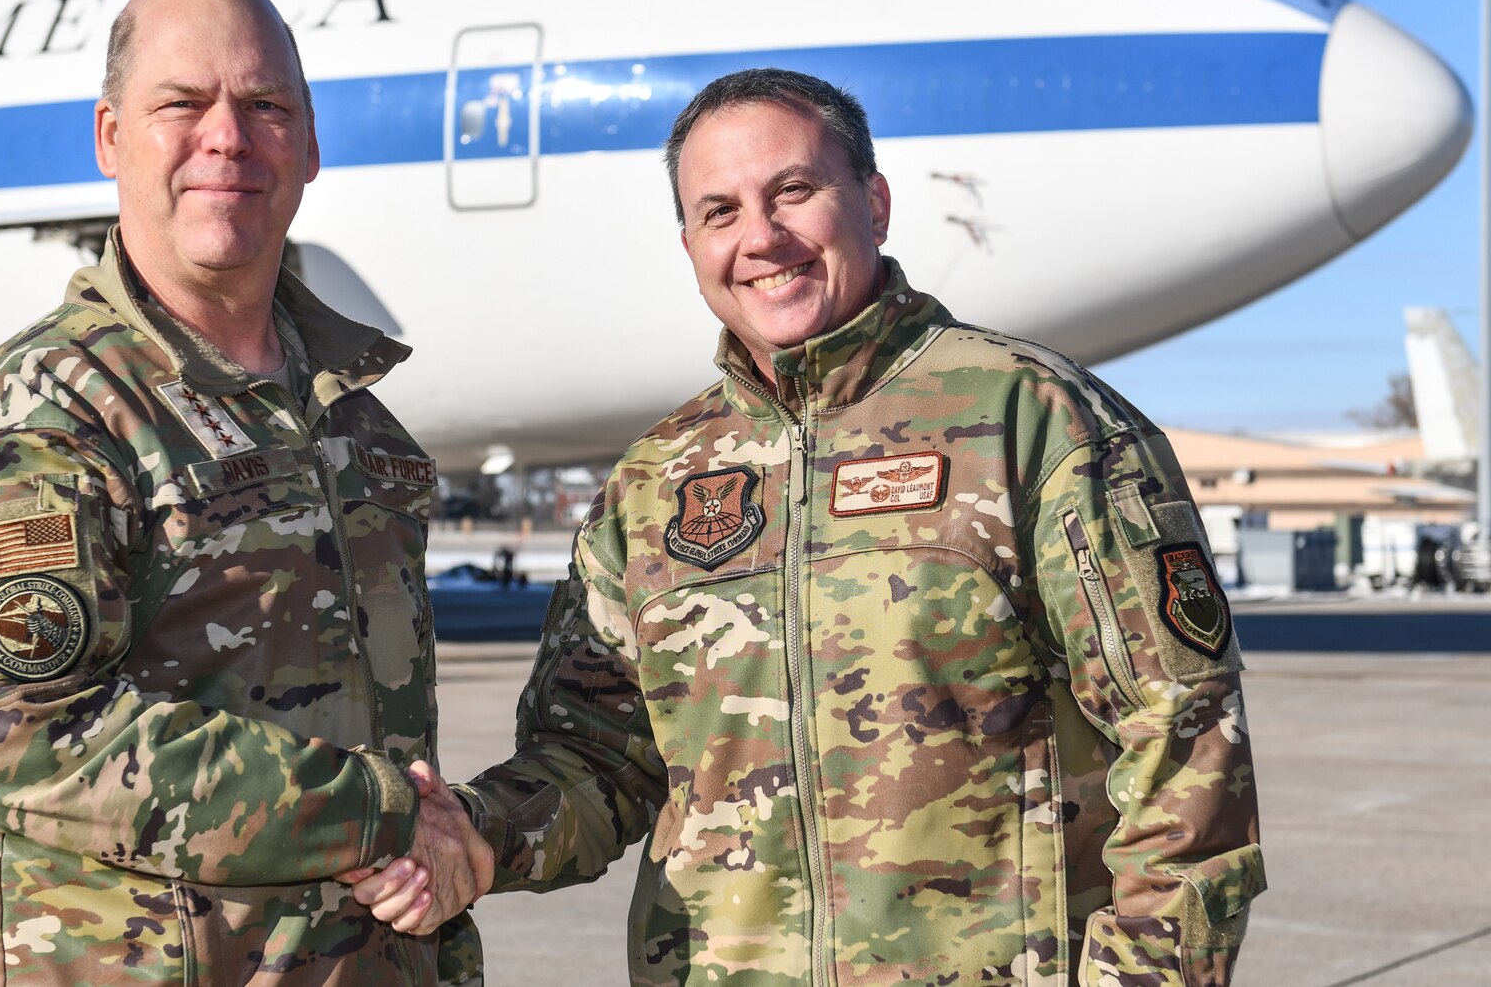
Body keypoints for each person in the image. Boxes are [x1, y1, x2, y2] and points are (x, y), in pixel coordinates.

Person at [359, 68, 1263, 985]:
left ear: (874, 203)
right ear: (691, 245)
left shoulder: (1033, 422)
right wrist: (478, 831)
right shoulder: (654, 482)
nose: (761, 236)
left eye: (793, 190)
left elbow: (1184, 741)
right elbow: (598, 759)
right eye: (720, 211)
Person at [0, 0, 488, 986]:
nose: (227, 138)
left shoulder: (348, 415)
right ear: (110, 138)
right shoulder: (42, 415)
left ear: (309, 145)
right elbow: (25, 743)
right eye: (182, 104)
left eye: (265, 107)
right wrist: (383, 811)